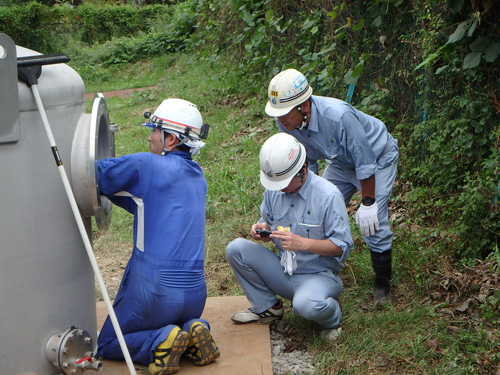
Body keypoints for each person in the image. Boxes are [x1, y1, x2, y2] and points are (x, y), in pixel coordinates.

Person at [96, 98, 219, 375]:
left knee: (108, 342)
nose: (149, 136)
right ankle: (192, 328)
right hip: (195, 294)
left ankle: (159, 339)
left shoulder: (147, 166)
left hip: (152, 291)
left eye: (154, 130)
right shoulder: (199, 177)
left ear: (171, 139)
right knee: (174, 320)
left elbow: (88, 173)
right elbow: (144, 201)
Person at [264, 68, 399, 305]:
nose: (280, 120)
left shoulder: (338, 117)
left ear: (304, 106)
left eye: (284, 113)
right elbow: (303, 160)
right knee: (319, 207)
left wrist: (368, 203)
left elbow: (365, 161)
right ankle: (322, 267)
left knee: (373, 221)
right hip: (339, 162)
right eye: (277, 114)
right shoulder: (287, 123)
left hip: (377, 159)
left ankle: (382, 282)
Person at [226, 133, 353, 340]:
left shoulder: (328, 196)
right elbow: (268, 217)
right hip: (284, 269)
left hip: (318, 274)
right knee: (236, 249)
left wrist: (303, 243)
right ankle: (268, 307)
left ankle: (332, 315)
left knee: (306, 306)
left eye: (284, 182)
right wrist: (263, 228)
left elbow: (342, 246)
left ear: (303, 170)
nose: (279, 188)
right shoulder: (274, 189)